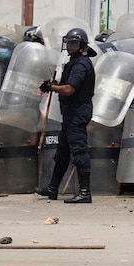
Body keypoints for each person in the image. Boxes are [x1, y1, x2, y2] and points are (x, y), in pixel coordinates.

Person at [36, 28, 96, 204]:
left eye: (73, 43)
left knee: (79, 151)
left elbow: (70, 89)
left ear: (82, 46)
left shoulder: (81, 65)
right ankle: (53, 188)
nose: (69, 46)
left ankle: (85, 192)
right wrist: (53, 83)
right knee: (62, 153)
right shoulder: (73, 62)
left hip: (77, 114)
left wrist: (51, 88)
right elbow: (66, 82)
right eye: (68, 42)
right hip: (70, 114)